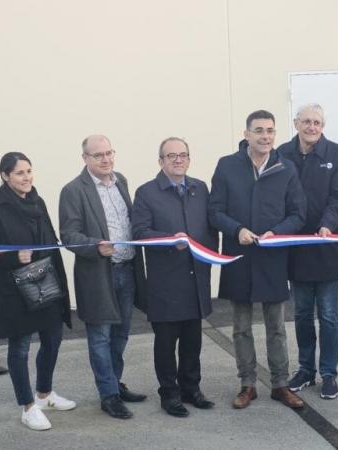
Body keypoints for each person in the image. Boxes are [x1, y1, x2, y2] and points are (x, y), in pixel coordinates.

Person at [209, 110, 307, 409]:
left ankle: (280, 384)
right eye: (259, 130)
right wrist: (235, 229)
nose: (265, 136)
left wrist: (277, 232)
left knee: (276, 326)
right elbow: (215, 211)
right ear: (246, 134)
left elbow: (298, 213)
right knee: (240, 327)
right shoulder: (227, 166)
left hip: (272, 258)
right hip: (239, 257)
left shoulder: (285, 168)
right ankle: (247, 384)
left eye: (270, 131)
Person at [0, 152, 75, 430]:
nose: (27, 177)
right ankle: (27, 407)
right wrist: (12, 258)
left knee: (53, 339)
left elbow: (49, 241)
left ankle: (44, 394)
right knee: (19, 349)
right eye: (20, 173)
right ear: (5, 176)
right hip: (15, 291)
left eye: (29, 171)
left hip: (46, 283)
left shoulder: (38, 201)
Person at [59, 135, 147, 420]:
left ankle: (114, 383)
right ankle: (108, 395)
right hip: (98, 274)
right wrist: (95, 245)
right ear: (84, 158)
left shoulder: (120, 180)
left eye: (109, 153)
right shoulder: (73, 190)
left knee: (121, 334)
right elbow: (69, 235)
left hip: (127, 269)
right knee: (100, 337)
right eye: (98, 155)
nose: (106, 159)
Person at [132, 137, 217, 417]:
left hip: (195, 279)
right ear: (161, 161)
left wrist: (210, 258)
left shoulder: (200, 188)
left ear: (189, 159)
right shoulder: (146, 193)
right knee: (166, 344)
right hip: (165, 283)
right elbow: (139, 233)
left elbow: (209, 229)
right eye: (171, 156)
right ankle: (169, 394)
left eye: (183, 155)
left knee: (193, 341)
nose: (178, 160)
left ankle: (191, 389)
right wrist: (170, 239)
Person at [277, 104, 338, 400]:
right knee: (302, 314)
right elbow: (276, 196)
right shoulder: (282, 153)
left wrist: (327, 225)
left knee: (330, 316)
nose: (311, 126)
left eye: (317, 122)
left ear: (323, 125)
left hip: (327, 245)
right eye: (306, 121)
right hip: (296, 248)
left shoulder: (337, 154)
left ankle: (329, 374)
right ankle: (306, 370)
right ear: (296, 123)